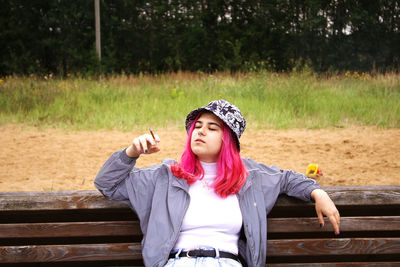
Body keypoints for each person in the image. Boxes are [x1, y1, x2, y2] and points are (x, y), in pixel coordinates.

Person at [94, 99, 340, 267]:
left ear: (228, 141)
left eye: (212, 128)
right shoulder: (166, 176)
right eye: (197, 126)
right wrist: (131, 152)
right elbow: (108, 184)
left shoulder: (249, 177)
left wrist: (317, 191)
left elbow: (287, 178)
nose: (200, 131)